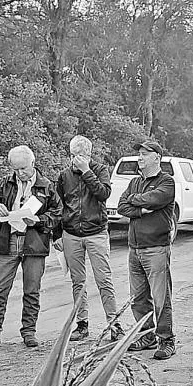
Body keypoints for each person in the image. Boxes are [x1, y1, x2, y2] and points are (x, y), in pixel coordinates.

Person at [0, 145, 63, 349]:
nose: (19, 173)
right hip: (8, 240)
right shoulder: (6, 183)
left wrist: (39, 220)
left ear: (32, 163)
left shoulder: (47, 186)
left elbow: (57, 214)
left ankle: (29, 332)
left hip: (34, 242)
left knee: (32, 290)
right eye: (15, 169)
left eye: (23, 169)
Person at [53, 135, 123, 342]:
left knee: (104, 279)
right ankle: (82, 324)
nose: (77, 159)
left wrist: (86, 172)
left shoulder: (100, 170)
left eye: (82, 155)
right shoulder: (64, 175)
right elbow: (58, 205)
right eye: (74, 155)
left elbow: (103, 194)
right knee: (78, 281)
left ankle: (114, 323)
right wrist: (57, 234)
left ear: (89, 155)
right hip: (71, 233)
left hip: (96, 232)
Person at [117, 140, 177, 360]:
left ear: (156, 158)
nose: (139, 158)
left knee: (161, 297)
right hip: (134, 248)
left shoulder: (167, 182)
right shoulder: (134, 182)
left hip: (156, 249)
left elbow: (155, 198)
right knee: (138, 298)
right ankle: (147, 335)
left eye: (144, 154)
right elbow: (122, 205)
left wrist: (136, 203)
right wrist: (142, 209)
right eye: (139, 154)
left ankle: (166, 339)